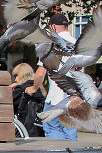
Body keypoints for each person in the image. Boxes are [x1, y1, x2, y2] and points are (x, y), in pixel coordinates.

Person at [27, 12, 77, 140]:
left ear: (53, 27)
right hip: (75, 99)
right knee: (70, 128)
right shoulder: (78, 45)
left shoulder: (51, 45)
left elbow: (41, 72)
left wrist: (33, 88)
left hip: (56, 97)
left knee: (52, 127)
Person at [11, 62, 45, 137]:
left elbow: (8, 104)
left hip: (22, 128)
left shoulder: (19, 90)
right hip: (37, 129)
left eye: (16, 76)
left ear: (22, 76)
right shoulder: (38, 89)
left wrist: (9, 90)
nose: (15, 79)